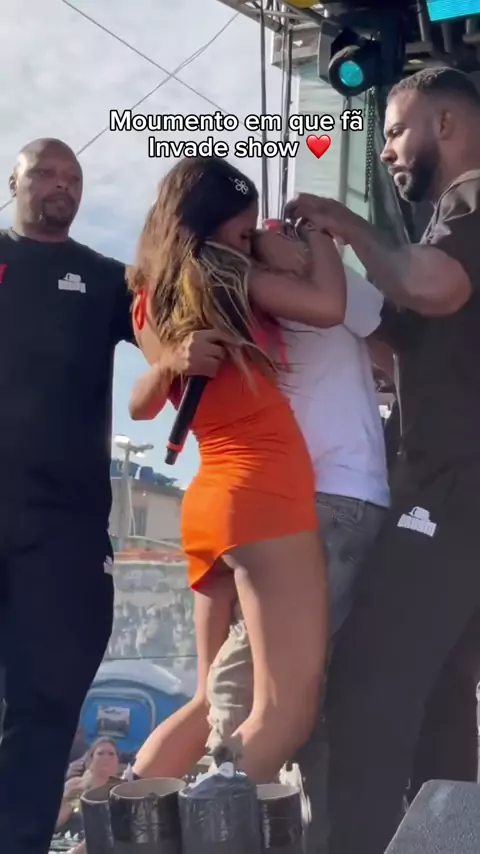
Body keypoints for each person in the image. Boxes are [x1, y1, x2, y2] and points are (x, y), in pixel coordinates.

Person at [127, 182, 388, 854]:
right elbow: (329, 306)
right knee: (286, 712)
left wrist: (172, 362)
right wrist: (320, 234)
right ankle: (210, 834)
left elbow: (139, 404)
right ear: (212, 224)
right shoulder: (223, 269)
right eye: (244, 231)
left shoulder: (149, 294)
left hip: (211, 497)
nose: (251, 241)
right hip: (266, 495)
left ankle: (118, 837)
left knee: (206, 700)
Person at [285, 66, 480, 854]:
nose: (389, 150)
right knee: (442, 694)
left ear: (447, 124)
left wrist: (345, 224)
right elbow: (415, 332)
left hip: (452, 486)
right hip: (457, 487)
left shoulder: (470, 205)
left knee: (369, 682)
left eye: (396, 130)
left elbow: (439, 290)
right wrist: (322, 287)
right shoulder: (445, 224)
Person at [0, 137, 134, 854]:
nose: (61, 184)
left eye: (73, 176)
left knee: (46, 702)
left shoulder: (107, 279)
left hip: (64, 529)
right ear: (14, 182)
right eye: (46, 172)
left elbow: (172, 326)